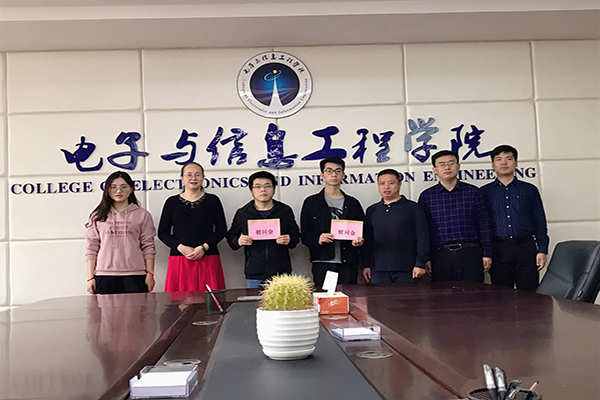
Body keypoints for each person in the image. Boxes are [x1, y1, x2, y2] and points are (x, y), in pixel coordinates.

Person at [480, 145, 549, 291]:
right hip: (498, 250)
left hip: (526, 248)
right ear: (493, 165)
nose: (504, 163)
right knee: (502, 296)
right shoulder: (484, 192)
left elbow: (539, 221)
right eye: (499, 159)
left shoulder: (529, 190)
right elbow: (482, 225)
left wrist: (542, 249)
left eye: (509, 159)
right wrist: (486, 252)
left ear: (516, 163)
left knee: (529, 295)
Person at [418, 150, 492, 282]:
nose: (447, 167)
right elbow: (424, 231)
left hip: (470, 253)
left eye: (451, 163)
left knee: (474, 293)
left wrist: (487, 253)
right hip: (440, 255)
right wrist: (426, 258)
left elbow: (484, 224)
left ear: (458, 167)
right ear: (434, 170)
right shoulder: (427, 197)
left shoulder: (473, 192)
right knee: (442, 294)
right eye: (442, 164)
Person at [158, 162, 227, 292]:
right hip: (180, 258)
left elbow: (221, 229)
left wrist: (204, 247)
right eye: (189, 175)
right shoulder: (172, 202)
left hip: (208, 257)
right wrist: (181, 247)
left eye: (197, 175)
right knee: (180, 301)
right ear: (182, 178)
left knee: (210, 300)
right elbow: (163, 232)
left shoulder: (212, 200)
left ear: (203, 177)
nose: (193, 178)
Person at [85, 171, 156, 295]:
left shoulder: (143, 215)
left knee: (137, 308)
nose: (118, 191)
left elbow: (148, 246)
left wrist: (150, 274)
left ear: (131, 189)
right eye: (113, 187)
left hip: (136, 274)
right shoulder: (97, 216)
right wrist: (90, 277)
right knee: (104, 309)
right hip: (104, 274)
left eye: (124, 186)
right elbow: (91, 247)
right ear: (107, 190)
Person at [227, 171, 300, 288]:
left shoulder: (284, 211)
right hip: (254, 272)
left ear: (274, 190)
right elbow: (231, 237)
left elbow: (296, 236)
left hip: (281, 271)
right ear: (251, 191)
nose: (263, 190)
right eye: (258, 186)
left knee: (283, 300)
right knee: (254, 300)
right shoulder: (243, 213)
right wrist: (238, 241)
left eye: (267, 186)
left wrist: (289, 239)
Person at [300, 156, 365, 287]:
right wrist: (318, 239)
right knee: (327, 297)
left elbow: (364, 231)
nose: (334, 174)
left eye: (338, 171)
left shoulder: (353, 203)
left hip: (348, 262)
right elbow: (305, 234)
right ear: (322, 175)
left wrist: (359, 240)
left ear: (343, 175)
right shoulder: (311, 203)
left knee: (349, 296)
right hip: (324, 262)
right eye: (329, 171)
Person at [362, 169, 429, 283]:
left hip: (408, 268)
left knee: (408, 296)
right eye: (382, 183)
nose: (386, 187)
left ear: (399, 184)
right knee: (379, 296)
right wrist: (366, 265)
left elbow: (422, 237)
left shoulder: (413, 208)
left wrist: (420, 263)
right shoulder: (372, 210)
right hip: (378, 269)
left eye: (391, 183)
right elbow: (368, 240)